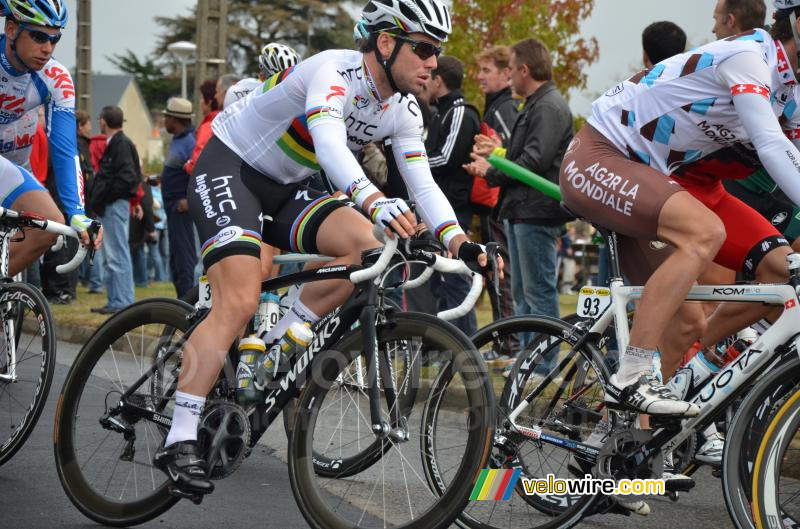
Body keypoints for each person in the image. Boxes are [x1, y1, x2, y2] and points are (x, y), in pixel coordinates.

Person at [154, 0, 499, 497]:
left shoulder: (403, 110)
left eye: (437, 52)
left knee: (368, 247)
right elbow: (332, 148)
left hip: (285, 189)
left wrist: (461, 243)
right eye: (423, 48)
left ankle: (280, 338)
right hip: (231, 168)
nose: (433, 62)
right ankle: (180, 435)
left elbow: (423, 186)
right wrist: (375, 201)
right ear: (386, 43)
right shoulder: (333, 71)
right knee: (239, 301)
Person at [557, 2, 800, 423]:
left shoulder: (792, 89)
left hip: (663, 176)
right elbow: (773, 147)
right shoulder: (749, 55)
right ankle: (631, 375)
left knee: (771, 274)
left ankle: (662, 405)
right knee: (704, 232)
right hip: (603, 154)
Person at [465, 38, 573, 328]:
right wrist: (497, 156)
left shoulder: (548, 107)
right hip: (523, 209)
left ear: (525, 70)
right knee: (522, 295)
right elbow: (523, 156)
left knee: (537, 293)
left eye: (511, 69)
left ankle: (544, 365)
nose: (508, 74)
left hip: (536, 211)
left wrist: (490, 171)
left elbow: (533, 161)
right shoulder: (536, 105)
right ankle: (528, 361)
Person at [0, 0, 101, 280]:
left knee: (52, 224)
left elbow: (66, 150)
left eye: (55, 39)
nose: (47, 48)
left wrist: (77, 213)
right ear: (11, 29)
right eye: (38, 36)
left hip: (13, 167)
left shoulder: (56, 78)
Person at [424, 55, 481, 335]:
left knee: (456, 278)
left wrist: (411, 164)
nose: (425, 80)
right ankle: (446, 340)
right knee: (437, 280)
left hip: (453, 208)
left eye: (430, 75)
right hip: (436, 207)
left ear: (440, 80)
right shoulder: (440, 112)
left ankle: (467, 341)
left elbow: (447, 158)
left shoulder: (460, 111)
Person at [475, 44, 517, 324]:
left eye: (486, 70)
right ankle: (507, 342)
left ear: (507, 74)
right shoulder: (496, 106)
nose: (479, 76)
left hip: (503, 202)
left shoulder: (504, 110)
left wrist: (487, 168)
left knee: (502, 269)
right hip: (497, 201)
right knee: (496, 268)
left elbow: (512, 155)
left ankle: (510, 343)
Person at [88, 106, 138, 314]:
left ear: (103, 122)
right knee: (115, 255)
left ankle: (122, 302)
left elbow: (127, 178)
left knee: (117, 255)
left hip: (114, 205)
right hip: (114, 205)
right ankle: (117, 300)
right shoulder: (120, 143)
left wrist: (105, 196)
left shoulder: (120, 144)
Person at [160, 97, 197, 298]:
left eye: (166, 117)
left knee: (184, 258)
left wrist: (190, 201)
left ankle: (187, 301)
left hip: (181, 208)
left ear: (175, 119)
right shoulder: (179, 140)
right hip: (173, 207)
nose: (164, 121)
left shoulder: (191, 142)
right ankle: (182, 299)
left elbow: (200, 173)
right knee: (176, 259)